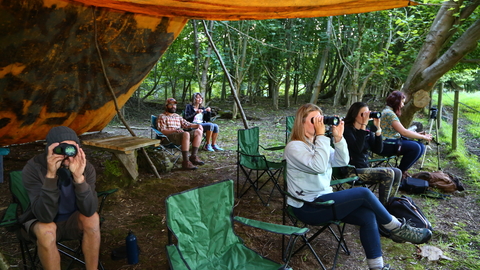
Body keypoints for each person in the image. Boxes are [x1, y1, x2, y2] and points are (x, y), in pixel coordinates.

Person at [284, 103, 432, 270]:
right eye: (314, 120)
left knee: (367, 216)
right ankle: (395, 227)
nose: (320, 124)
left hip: (324, 201)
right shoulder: (294, 147)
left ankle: (377, 267)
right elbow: (317, 166)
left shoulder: (318, 144)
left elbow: (342, 161)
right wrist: (323, 137)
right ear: (301, 122)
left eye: (321, 119)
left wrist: (338, 140)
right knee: (362, 193)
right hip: (307, 207)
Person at [22, 126, 100, 270]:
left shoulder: (85, 167)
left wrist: (79, 178)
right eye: (60, 149)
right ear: (49, 149)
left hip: (72, 218)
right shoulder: (33, 168)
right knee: (47, 231)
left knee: (93, 219)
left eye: (71, 149)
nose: (67, 155)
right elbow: (44, 216)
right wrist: (51, 176)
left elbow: (89, 210)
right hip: (41, 220)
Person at [343, 102, 402, 205]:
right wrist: (363, 126)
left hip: (364, 168)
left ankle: (390, 205)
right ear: (354, 114)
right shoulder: (346, 130)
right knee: (388, 173)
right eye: (362, 114)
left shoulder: (366, 130)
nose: (365, 117)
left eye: (367, 114)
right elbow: (357, 149)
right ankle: (383, 210)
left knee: (397, 172)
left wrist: (378, 129)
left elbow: (378, 150)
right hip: (351, 171)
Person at [379, 91, 432, 179]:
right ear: (396, 102)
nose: (403, 105)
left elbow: (400, 131)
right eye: (402, 102)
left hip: (391, 141)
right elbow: (403, 132)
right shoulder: (389, 113)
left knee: (421, 147)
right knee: (415, 148)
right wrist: (423, 137)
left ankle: (403, 171)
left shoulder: (389, 112)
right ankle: (399, 173)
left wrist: (417, 134)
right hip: (385, 144)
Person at [157, 97, 205, 170]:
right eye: (170, 105)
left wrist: (198, 125)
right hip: (168, 138)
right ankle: (186, 162)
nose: (173, 106)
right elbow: (162, 131)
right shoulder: (162, 116)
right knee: (186, 134)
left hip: (180, 136)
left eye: (174, 105)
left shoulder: (177, 116)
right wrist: (174, 130)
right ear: (166, 106)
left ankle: (193, 157)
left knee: (198, 131)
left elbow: (186, 124)